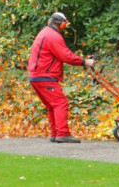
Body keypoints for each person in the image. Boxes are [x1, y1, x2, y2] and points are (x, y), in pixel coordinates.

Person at [28, 12, 96, 143]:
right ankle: (62, 134)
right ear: (62, 24)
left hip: (36, 76)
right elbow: (65, 56)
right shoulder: (53, 36)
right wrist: (84, 62)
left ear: (50, 21)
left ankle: (55, 133)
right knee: (60, 103)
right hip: (45, 76)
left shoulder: (44, 33)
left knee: (52, 105)